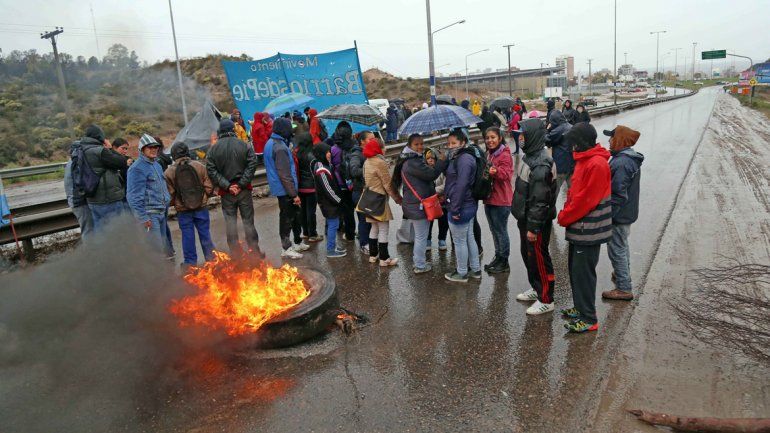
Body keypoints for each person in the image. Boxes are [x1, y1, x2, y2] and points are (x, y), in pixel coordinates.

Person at [557, 123, 612, 333]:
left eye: (573, 142)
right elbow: (574, 193)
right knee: (575, 270)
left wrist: (564, 216)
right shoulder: (583, 160)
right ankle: (580, 308)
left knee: (584, 275)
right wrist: (567, 210)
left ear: (581, 142)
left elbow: (585, 201)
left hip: (588, 230)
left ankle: (589, 318)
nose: (570, 146)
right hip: (579, 228)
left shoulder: (596, 164)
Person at [511, 117, 558, 315]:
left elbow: (540, 201)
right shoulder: (530, 156)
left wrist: (533, 228)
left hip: (535, 222)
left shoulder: (541, 164)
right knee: (528, 256)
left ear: (533, 136)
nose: (520, 138)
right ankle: (536, 287)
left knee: (539, 258)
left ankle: (546, 298)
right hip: (526, 219)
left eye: (524, 135)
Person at [206, 118, 263, 257]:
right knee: (248, 222)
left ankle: (236, 255)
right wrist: (241, 184)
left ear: (220, 132)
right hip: (243, 190)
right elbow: (252, 164)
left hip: (226, 193)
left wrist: (228, 186)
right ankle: (255, 252)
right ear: (233, 129)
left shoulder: (213, 150)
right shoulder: (244, 145)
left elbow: (211, 170)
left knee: (230, 224)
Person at [393, 134, 447, 274]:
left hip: (413, 204)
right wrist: (441, 161)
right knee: (421, 237)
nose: (420, 146)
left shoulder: (409, 159)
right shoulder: (413, 162)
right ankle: (420, 265)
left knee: (419, 235)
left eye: (422, 144)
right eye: (416, 144)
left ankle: (419, 261)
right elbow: (431, 174)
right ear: (409, 145)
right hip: (418, 205)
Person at [602, 126, 644, 301]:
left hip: (619, 214)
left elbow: (618, 194)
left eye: (612, 137)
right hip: (626, 212)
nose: (609, 140)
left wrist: (608, 215)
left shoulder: (621, 163)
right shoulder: (626, 158)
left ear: (620, 140)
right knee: (622, 245)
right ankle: (622, 273)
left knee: (617, 249)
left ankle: (623, 288)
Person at [164, 141, 215, 269]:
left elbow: (169, 195)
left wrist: (177, 203)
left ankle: (190, 264)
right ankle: (212, 260)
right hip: (201, 207)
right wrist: (203, 198)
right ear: (187, 151)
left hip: (183, 211)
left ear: (173, 155)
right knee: (205, 233)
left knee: (187, 236)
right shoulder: (199, 166)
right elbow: (209, 187)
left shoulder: (169, 172)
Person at [264, 117, 307, 259]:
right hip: (284, 189)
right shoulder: (280, 148)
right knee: (287, 218)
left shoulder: (271, 142)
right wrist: (294, 194)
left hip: (280, 187)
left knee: (291, 216)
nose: (291, 131)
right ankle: (286, 248)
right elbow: (284, 174)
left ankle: (296, 243)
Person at [443, 129, 482, 282]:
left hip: (461, 205)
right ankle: (475, 269)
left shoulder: (464, 159)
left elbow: (461, 185)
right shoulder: (461, 156)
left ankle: (462, 272)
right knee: (469, 237)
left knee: (459, 241)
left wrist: (455, 209)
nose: (450, 146)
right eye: (449, 143)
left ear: (463, 142)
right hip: (467, 203)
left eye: (454, 143)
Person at [126, 134, 172, 253]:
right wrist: (143, 217)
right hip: (150, 215)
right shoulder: (136, 169)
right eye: (150, 147)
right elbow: (133, 197)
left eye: (156, 147)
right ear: (142, 149)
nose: (154, 149)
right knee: (155, 250)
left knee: (162, 247)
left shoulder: (157, 165)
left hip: (161, 211)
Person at [79, 125, 130, 230]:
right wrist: (110, 148)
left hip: (92, 198)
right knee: (117, 231)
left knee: (101, 231)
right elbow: (121, 162)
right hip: (108, 199)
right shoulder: (100, 151)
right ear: (100, 136)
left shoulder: (81, 149)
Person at [362, 137, 401, 267]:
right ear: (378, 148)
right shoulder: (380, 162)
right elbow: (388, 184)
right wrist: (398, 198)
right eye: (383, 147)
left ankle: (373, 255)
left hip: (369, 198)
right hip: (379, 200)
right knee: (383, 229)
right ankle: (384, 259)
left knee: (374, 228)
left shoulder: (367, 161)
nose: (385, 149)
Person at [482, 127, 514, 274]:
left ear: (500, 138)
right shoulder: (489, 154)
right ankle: (498, 256)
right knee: (494, 230)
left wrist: (496, 171)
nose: (490, 140)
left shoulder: (504, 154)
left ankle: (504, 261)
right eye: (487, 138)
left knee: (501, 231)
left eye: (493, 137)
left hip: (501, 200)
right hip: (489, 198)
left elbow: (507, 175)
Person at [311, 142, 347, 258]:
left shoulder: (324, 165)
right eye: (327, 152)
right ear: (321, 153)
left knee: (334, 224)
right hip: (329, 203)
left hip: (330, 202)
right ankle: (331, 250)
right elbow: (328, 189)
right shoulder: (321, 169)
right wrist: (338, 200)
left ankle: (333, 246)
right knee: (333, 225)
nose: (329, 154)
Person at [328, 121, 359, 242]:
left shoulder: (334, 149)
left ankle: (349, 234)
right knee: (359, 209)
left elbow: (331, 166)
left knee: (347, 211)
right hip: (355, 183)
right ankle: (362, 232)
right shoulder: (355, 147)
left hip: (341, 184)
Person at [294, 131, 322, 243]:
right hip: (311, 188)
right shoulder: (312, 156)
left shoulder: (296, 154)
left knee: (303, 211)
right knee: (311, 211)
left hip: (300, 187)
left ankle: (305, 232)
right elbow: (316, 173)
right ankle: (313, 234)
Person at [64, 151, 94, 240]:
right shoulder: (77, 162)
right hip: (79, 201)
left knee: (88, 230)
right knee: (89, 231)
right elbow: (83, 184)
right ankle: (91, 249)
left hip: (76, 200)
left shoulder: (73, 160)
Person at [351, 131, 372, 254]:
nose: (373, 141)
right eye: (370, 139)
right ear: (362, 141)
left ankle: (368, 241)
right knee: (364, 220)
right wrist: (369, 168)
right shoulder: (356, 154)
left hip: (369, 192)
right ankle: (364, 244)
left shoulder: (369, 153)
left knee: (369, 220)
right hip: (360, 192)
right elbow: (354, 171)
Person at [545, 110, 574, 198]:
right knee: (573, 192)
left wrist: (547, 130)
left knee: (554, 192)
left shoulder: (559, 130)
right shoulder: (571, 126)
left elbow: (547, 140)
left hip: (560, 165)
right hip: (572, 165)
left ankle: (551, 206)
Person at [424, 148, 449, 251]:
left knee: (443, 220)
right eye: (428, 158)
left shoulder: (442, 171)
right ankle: (428, 239)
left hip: (441, 200)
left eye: (432, 158)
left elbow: (445, 185)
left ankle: (442, 239)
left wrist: (432, 191)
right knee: (428, 221)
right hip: (430, 201)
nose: (430, 160)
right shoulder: (424, 170)